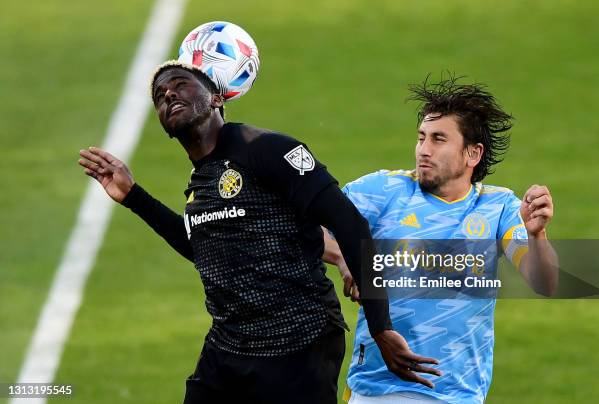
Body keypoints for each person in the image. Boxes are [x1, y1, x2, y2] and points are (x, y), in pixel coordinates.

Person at [77, 60, 442, 404]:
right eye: (160, 95)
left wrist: (381, 327)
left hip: (298, 345)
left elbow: (351, 225)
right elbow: (200, 249)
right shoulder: (201, 183)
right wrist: (132, 197)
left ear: (218, 98)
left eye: (180, 85)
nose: (168, 95)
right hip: (229, 348)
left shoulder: (267, 149)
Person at [324, 76, 559, 403]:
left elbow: (544, 283)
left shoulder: (498, 207)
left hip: (457, 393)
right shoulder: (380, 191)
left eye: (438, 139)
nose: (423, 150)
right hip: (377, 388)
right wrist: (346, 259)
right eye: (421, 137)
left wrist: (537, 235)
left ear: (472, 153)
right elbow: (304, 226)